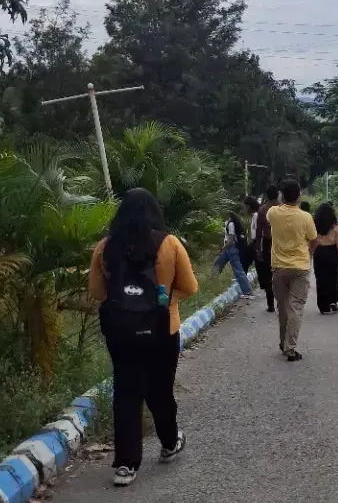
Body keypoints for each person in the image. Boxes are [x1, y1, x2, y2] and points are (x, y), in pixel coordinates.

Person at [87, 187, 198, 487]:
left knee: (126, 392)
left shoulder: (105, 248)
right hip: (163, 329)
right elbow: (190, 287)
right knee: (160, 389)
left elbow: (97, 293)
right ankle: (169, 442)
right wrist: (162, 300)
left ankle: (125, 465)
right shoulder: (170, 243)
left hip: (121, 332)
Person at [266, 177, 318, 360]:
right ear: (299, 196)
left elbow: (271, 218)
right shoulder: (306, 217)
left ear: (281, 195)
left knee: (283, 308)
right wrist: (308, 255)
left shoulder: (272, 213)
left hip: (279, 268)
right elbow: (314, 239)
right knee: (296, 308)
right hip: (300, 268)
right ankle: (290, 347)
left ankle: (282, 341)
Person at [313, 200, 338, 313]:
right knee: (333, 278)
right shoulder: (335, 227)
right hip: (332, 254)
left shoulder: (314, 226)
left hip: (319, 253)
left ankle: (323, 306)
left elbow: (311, 242)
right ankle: (333, 301)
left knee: (320, 279)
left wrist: (309, 253)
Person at [214, 205, 254, 296]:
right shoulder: (227, 222)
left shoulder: (231, 224)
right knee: (217, 263)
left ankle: (248, 291)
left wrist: (222, 248)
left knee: (238, 271)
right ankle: (212, 284)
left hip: (231, 248)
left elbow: (231, 240)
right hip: (227, 248)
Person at [253, 186, 276, 312]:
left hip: (268, 243)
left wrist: (258, 250)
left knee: (268, 275)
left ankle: (270, 304)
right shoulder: (282, 208)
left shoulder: (262, 210)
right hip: (282, 243)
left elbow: (258, 232)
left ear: (266, 195)